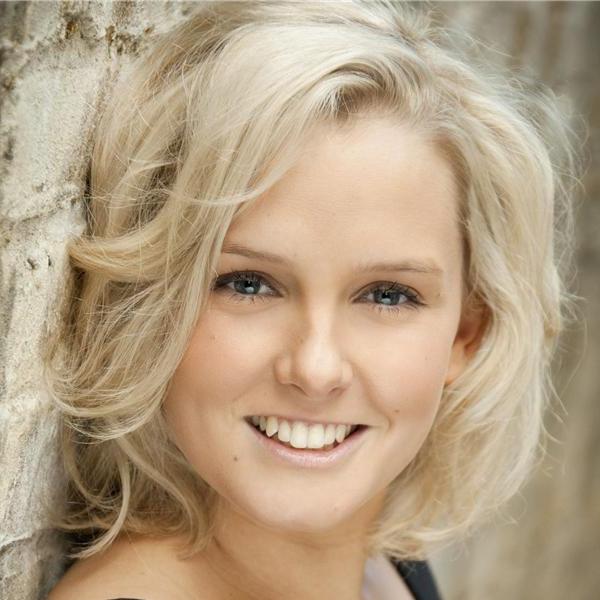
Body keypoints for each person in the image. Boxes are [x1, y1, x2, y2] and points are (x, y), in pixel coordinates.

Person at [44, 1, 580, 599]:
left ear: (466, 333)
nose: (315, 369)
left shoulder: (388, 572)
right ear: (152, 305)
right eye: (248, 284)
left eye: (388, 295)